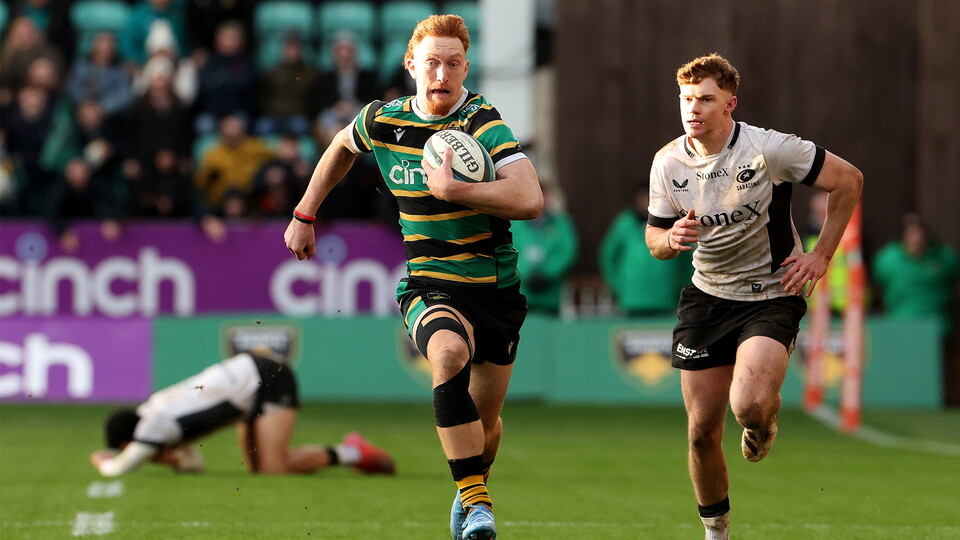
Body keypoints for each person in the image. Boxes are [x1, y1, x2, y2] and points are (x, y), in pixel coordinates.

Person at [284, 14, 542, 540]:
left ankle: (469, 486)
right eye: (432, 63)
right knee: (446, 354)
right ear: (411, 66)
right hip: (429, 282)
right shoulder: (384, 120)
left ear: (465, 67)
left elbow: (529, 198)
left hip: (494, 288)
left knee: (485, 426)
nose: (442, 74)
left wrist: (458, 192)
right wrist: (305, 213)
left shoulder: (482, 122)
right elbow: (339, 147)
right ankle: (477, 503)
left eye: (452, 64)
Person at [644, 53, 863, 540]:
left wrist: (822, 256)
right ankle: (716, 532)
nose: (693, 108)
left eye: (705, 99)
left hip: (770, 293)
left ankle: (763, 425)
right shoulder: (668, 162)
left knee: (749, 407)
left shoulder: (768, 149)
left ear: (730, 104)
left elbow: (849, 181)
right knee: (701, 432)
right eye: (686, 99)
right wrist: (669, 241)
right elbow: (655, 239)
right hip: (707, 298)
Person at [89, 350, 395, 477]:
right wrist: (171, 459)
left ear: (132, 439)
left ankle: (352, 452)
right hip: (246, 387)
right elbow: (194, 465)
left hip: (266, 379)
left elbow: (121, 468)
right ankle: (350, 452)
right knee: (258, 472)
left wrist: (105, 462)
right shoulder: (155, 414)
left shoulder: (154, 426)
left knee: (274, 469)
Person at [599, 183, 693, 317]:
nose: (645, 203)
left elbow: (686, 258)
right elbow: (608, 256)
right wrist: (618, 284)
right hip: (632, 299)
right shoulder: (625, 223)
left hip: (664, 298)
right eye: (642, 199)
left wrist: (681, 286)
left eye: (649, 198)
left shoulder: (673, 223)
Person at [872, 213, 958, 338]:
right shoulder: (887, 261)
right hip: (901, 327)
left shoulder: (946, 258)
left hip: (939, 329)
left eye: (920, 234)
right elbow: (877, 288)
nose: (917, 239)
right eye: (912, 234)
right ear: (903, 236)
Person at [511, 183, 578, 315]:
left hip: (551, 295)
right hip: (520, 294)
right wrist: (526, 273)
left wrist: (547, 273)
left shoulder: (561, 224)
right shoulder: (514, 223)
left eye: (544, 194)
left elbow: (567, 251)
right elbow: (508, 249)